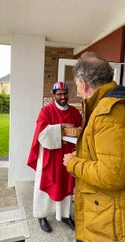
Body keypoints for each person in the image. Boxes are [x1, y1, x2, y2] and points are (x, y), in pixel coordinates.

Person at [63, 52, 125, 242]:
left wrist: (73, 163)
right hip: (96, 212)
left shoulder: (110, 114)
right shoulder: (103, 106)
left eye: (77, 85)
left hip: (108, 218)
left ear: (84, 83)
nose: (76, 90)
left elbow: (112, 176)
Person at [27, 81, 82, 233]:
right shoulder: (46, 111)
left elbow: (80, 130)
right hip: (49, 155)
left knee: (65, 184)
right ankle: (41, 215)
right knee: (46, 183)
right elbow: (41, 133)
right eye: (59, 94)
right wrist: (62, 126)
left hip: (67, 155)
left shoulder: (74, 112)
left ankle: (64, 215)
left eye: (65, 94)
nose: (63, 97)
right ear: (54, 95)